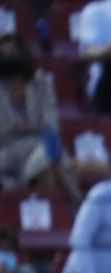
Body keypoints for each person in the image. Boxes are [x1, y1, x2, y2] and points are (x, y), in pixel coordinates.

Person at [0, 33, 78, 199]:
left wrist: (22, 127)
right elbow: (3, 133)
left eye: (13, 54)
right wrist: (34, 127)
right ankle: (75, 199)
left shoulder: (41, 85)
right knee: (52, 151)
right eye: (3, 55)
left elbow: (52, 125)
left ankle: (52, 204)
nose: (8, 59)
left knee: (46, 154)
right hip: (6, 152)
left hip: (39, 146)